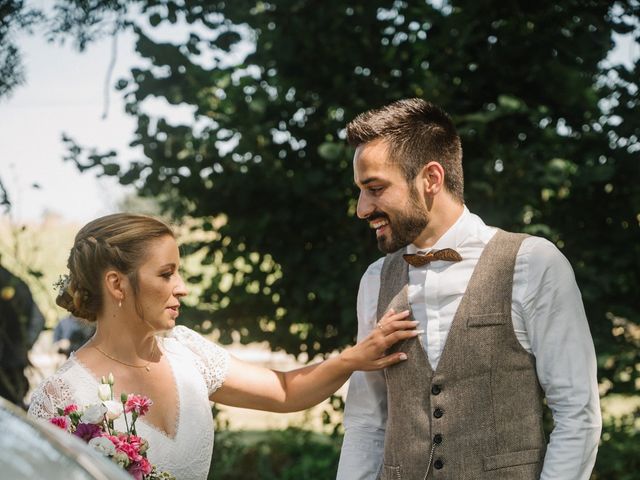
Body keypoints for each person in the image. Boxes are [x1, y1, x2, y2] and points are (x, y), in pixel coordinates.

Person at [27, 213, 419, 479]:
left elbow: (284, 392)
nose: (182, 287)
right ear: (116, 284)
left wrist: (355, 358)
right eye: (166, 274)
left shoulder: (187, 352)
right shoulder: (62, 399)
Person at [336, 99, 601, 480]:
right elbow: (366, 422)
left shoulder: (533, 263)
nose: (362, 208)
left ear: (431, 178)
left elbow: (578, 415)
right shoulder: (375, 280)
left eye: (375, 188)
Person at [0, 263, 45, 408]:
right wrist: (22, 348)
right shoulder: (16, 283)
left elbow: (38, 319)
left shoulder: (12, 283)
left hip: (9, 369)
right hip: (14, 364)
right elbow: (38, 320)